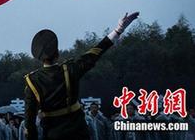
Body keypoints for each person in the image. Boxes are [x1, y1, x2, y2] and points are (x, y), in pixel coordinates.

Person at [24, 12, 140, 140]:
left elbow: (29, 123)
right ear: (57, 52)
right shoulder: (69, 69)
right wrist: (118, 30)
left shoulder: (32, 81)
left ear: (39, 58)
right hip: (78, 133)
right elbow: (95, 52)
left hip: (52, 135)